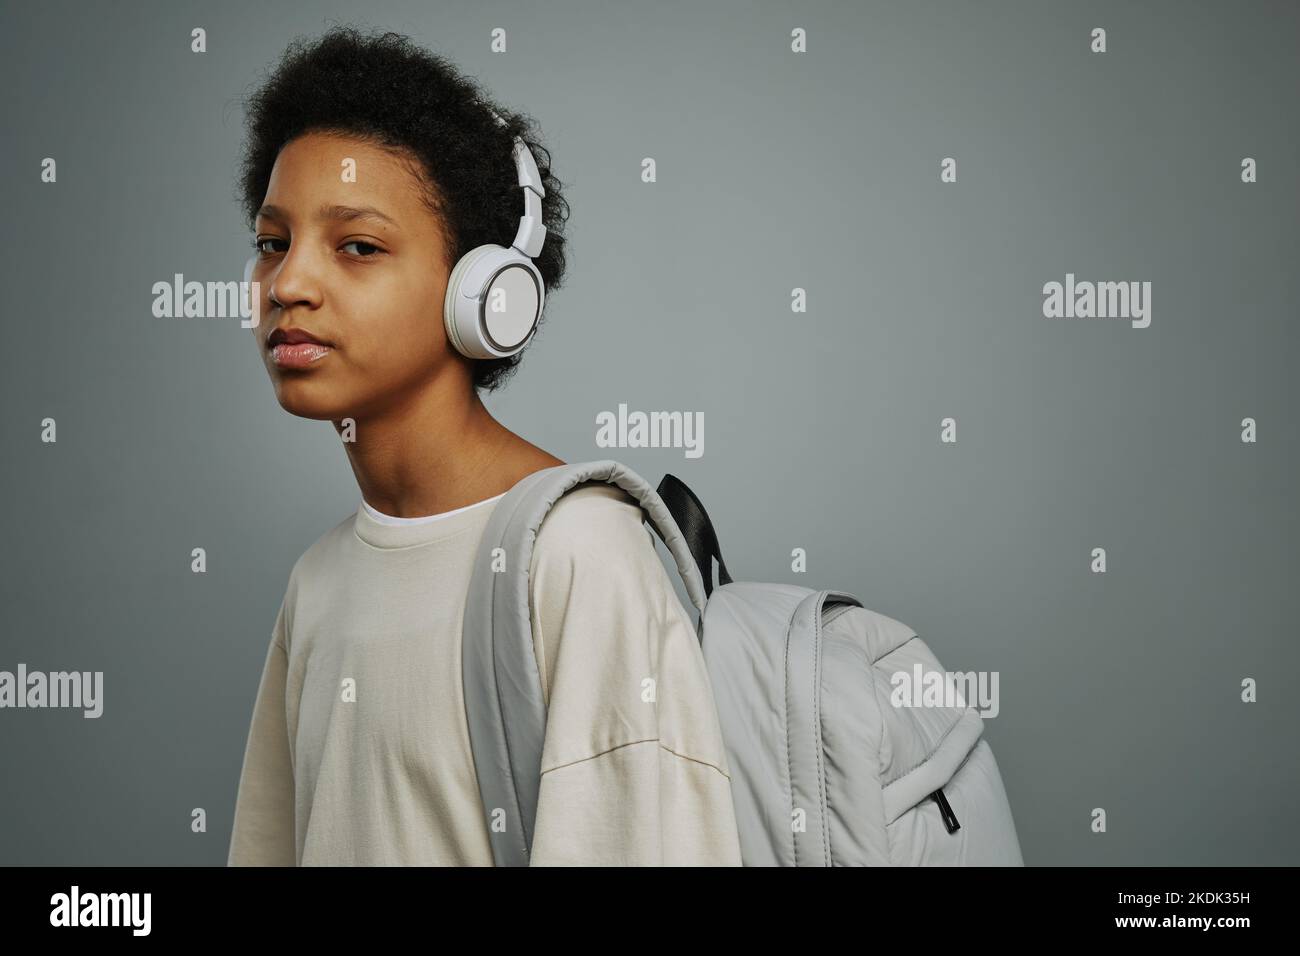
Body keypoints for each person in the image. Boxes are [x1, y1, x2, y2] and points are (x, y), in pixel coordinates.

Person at [226, 26, 742, 866]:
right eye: (272, 242)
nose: (288, 284)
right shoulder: (317, 583)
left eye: (357, 246)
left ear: (487, 295)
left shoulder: (578, 553)